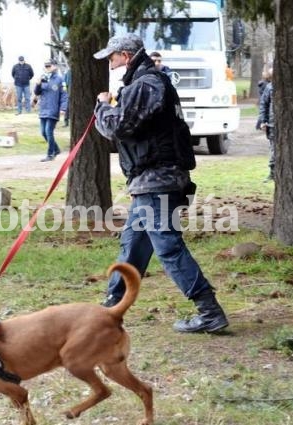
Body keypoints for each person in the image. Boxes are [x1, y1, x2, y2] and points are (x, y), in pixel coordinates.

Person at [93, 33, 228, 334]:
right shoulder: (143, 83)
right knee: (132, 248)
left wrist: (102, 107)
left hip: (158, 180)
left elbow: (119, 127)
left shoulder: (146, 83)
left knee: (167, 247)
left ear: (126, 56)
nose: (110, 63)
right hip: (150, 181)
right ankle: (109, 312)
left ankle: (209, 311)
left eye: (112, 57)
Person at [33, 59, 68, 161]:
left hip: (53, 109)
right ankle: (56, 149)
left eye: (49, 66)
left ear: (55, 66)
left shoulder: (60, 79)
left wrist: (63, 108)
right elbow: (37, 92)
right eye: (46, 66)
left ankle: (50, 154)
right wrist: (38, 84)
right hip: (43, 108)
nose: (47, 68)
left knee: (49, 131)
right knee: (43, 132)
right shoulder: (43, 78)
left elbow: (64, 95)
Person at [258, 69, 275, 182]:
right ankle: (273, 172)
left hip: (277, 123)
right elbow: (264, 105)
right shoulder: (269, 87)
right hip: (272, 124)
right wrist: (263, 121)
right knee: (274, 148)